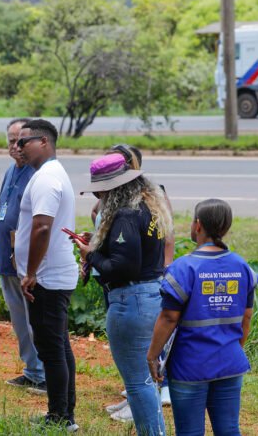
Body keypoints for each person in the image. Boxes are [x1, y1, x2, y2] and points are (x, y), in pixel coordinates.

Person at [72, 153, 173, 436]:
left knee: (138, 382)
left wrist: (91, 254)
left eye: (99, 191)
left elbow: (123, 268)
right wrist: (99, 245)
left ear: (113, 188)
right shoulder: (147, 206)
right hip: (151, 295)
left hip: (131, 302)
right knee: (146, 379)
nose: (97, 196)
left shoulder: (126, 214)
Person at [147, 199, 258, 436]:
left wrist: (152, 355)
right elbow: (246, 317)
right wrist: (233, 349)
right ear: (226, 228)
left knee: (189, 432)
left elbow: (168, 317)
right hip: (230, 363)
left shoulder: (183, 268)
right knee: (229, 429)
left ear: (197, 226)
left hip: (190, 367)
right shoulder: (242, 267)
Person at [15, 119, 79, 432]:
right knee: (58, 346)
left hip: (47, 278)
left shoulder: (47, 179)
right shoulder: (49, 174)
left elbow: (42, 226)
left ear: (43, 142)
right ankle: (65, 413)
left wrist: (30, 273)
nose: (17, 147)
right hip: (51, 274)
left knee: (51, 349)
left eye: (23, 142)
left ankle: (60, 418)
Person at [0, 118, 46, 392]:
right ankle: (32, 370)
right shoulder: (9, 172)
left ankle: (44, 374)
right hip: (7, 261)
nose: (16, 147)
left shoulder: (36, 174)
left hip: (26, 263)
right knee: (19, 320)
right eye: (11, 141)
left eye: (21, 141)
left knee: (33, 320)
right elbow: (4, 214)